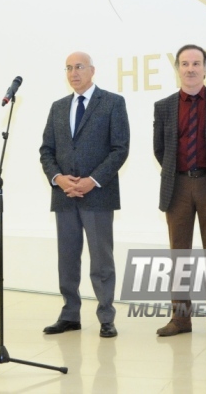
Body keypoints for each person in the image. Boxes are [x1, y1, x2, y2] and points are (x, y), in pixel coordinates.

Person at [39, 52, 130, 338]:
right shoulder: (58, 107)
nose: (73, 72)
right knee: (67, 258)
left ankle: (106, 317)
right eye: (68, 68)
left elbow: (120, 149)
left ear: (92, 70)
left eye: (79, 67)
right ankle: (70, 315)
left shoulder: (113, 103)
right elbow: (46, 151)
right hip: (64, 195)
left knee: (101, 260)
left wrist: (92, 180)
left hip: (98, 196)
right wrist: (59, 178)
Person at [153, 44, 206, 340]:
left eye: (196, 63)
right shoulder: (164, 106)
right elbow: (160, 149)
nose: (190, 68)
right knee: (179, 256)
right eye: (185, 63)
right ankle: (180, 319)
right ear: (177, 68)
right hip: (176, 186)